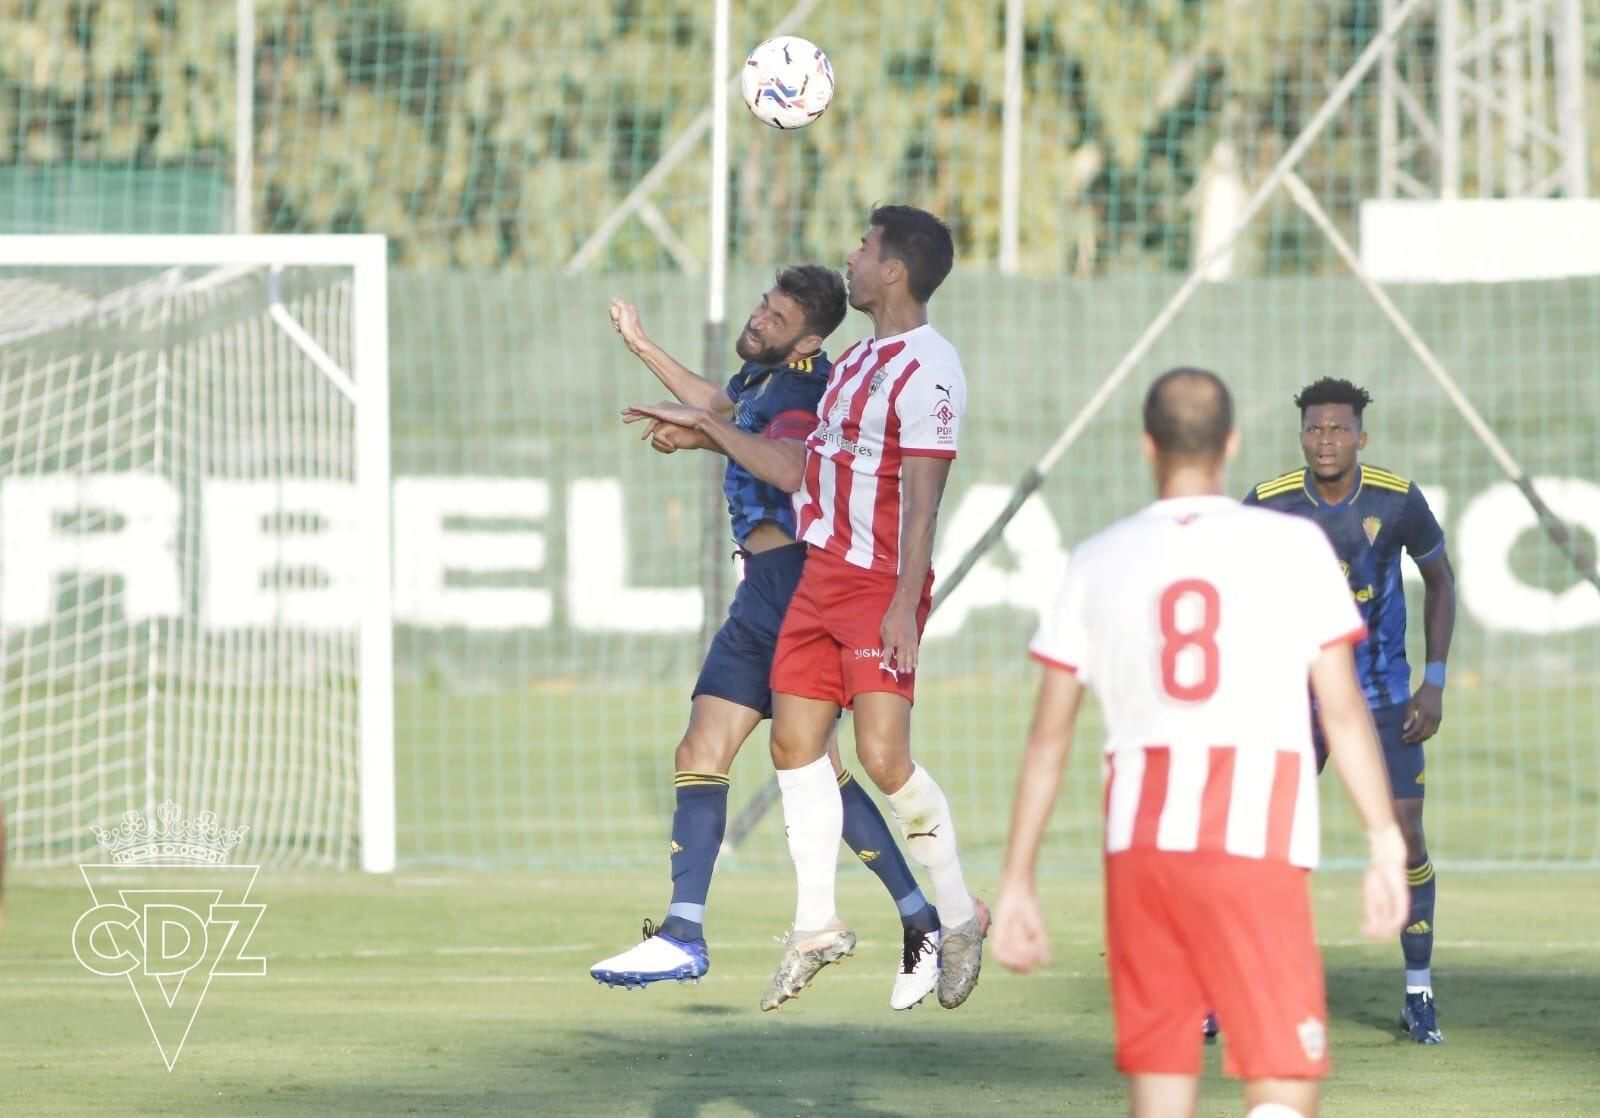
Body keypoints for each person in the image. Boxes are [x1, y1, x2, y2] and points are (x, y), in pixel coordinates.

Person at [992, 368, 1410, 1118]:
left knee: (1160, 1086)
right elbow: (1342, 710)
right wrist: (1384, 846)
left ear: (1148, 448)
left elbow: (1047, 740)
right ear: (1234, 443)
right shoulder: (1292, 547)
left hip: (1142, 852)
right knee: (1281, 1080)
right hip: (1256, 842)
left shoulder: (1096, 559)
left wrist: (1017, 878)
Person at [624, 206, 986, 1013]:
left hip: (876, 583)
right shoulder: (855, 363)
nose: (851, 257)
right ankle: (817, 924)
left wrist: (902, 605)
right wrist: (705, 432)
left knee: (884, 761)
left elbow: (924, 501)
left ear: (893, 271)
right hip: (819, 577)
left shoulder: (930, 367)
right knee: (795, 748)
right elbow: (795, 468)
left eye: (864, 248)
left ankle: (957, 914)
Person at [1243, 377, 1456, 1045]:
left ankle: (1418, 994)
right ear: (1300, 434)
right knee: (1261, 841)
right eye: (1314, 429)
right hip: (1295, 700)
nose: (1325, 440)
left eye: (1338, 429)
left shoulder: (1396, 498)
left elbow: (1442, 579)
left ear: (1361, 437)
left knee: (1406, 838)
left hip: (1383, 699)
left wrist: (1435, 682)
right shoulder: (1270, 504)